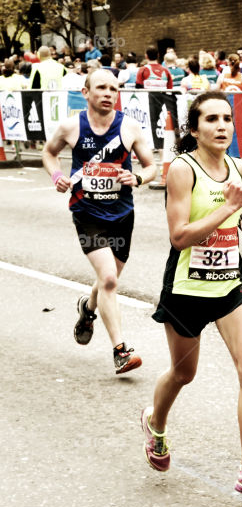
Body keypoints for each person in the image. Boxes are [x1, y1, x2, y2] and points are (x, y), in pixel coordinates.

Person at [142, 91, 242, 498]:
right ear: (193, 129)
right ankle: (155, 424)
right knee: (184, 373)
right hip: (187, 288)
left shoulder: (237, 166)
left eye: (227, 119)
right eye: (211, 119)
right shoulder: (182, 169)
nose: (222, 126)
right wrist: (227, 208)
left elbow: (234, 209)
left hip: (230, 282)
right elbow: (178, 237)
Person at [42, 69, 156, 373]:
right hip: (86, 213)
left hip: (122, 214)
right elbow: (49, 153)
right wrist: (56, 176)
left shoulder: (129, 127)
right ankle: (121, 351)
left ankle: (88, 309)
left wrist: (139, 177)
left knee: (109, 280)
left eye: (114, 89)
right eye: (102, 88)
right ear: (86, 92)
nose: (108, 94)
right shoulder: (71, 126)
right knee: (108, 279)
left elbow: (152, 165)